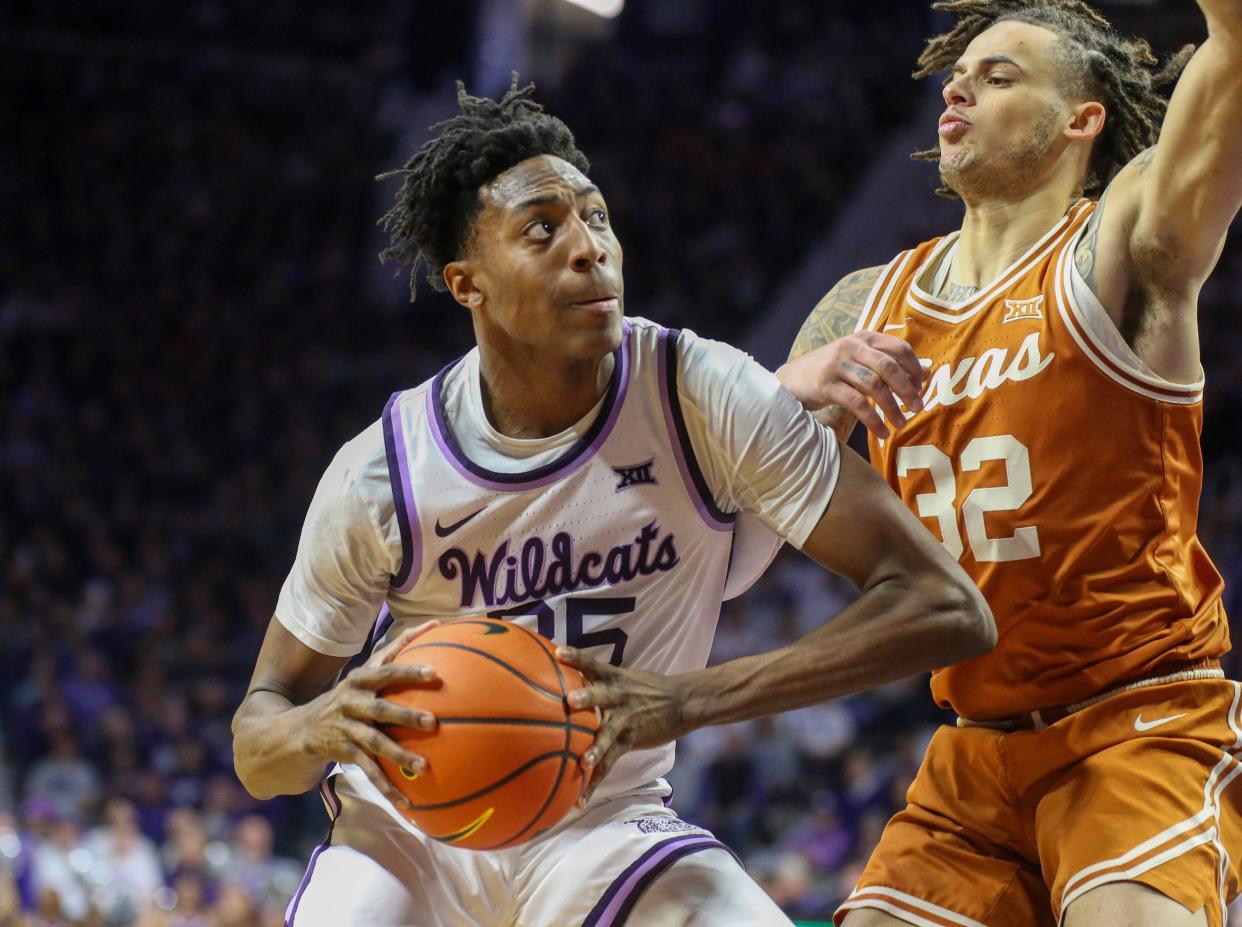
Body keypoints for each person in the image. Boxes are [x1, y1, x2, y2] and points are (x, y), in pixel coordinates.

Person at [230, 79, 994, 927]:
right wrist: (317, 728)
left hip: (607, 826)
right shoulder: (385, 471)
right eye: (542, 230)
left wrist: (691, 698)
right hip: (410, 836)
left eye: (596, 217)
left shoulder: (698, 392)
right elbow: (260, 740)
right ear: (467, 282)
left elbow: (948, 605)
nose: (589, 248)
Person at [778, 1, 1242, 924]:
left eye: (1000, 77)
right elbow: (731, 483)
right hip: (972, 752)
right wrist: (788, 384)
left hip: (1136, 725)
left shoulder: (1125, 242)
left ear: (1082, 119)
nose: (959, 86)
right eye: (961, 76)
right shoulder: (868, 303)